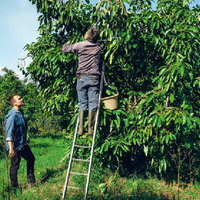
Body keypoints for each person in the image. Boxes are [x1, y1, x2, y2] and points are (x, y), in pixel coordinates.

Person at [62, 27, 102, 135]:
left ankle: (80, 129)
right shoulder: (98, 47)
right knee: (93, 103)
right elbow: (98, 42)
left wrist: (68, 41)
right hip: (94, 77)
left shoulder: (80, 45)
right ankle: (90, 129)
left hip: (81, 77)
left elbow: (65, 49)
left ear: (87, 36)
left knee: (82, 103)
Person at [4, 94, 35, 189]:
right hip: (15, 146)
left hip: (22, 144)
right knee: (15, 167)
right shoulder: (12, 115)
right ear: (14, 103)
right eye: (19, 99)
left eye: (21, 97)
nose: (22, 99)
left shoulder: (20, 112)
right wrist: (11, 148)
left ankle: (31, 182)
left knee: (31, 159)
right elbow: (9, 132)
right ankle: (15, 188)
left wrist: (25, 141)